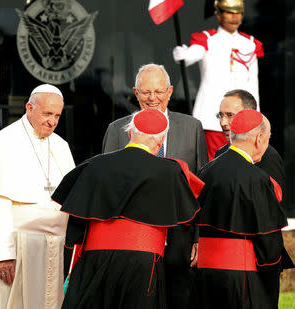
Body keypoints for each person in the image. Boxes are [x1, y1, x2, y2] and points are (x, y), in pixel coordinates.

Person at [52, 109, 203, 308]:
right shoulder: (171, 172)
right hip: (143, 265)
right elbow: (183, 227)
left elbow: (76, 229)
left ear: (130, 134)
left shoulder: (93, 166)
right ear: (161, 141)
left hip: (95, 261)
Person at [102, 63, 208, 309]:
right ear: (135, 93)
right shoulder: (117, 130)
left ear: (170, 92)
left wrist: (199, 238)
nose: (152, 98)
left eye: (159, 92)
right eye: (146, 92)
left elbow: (202, 188)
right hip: (131, 241)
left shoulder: (192, 127)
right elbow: (106, 187)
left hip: (179, 239)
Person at [0, 84, 75, 309]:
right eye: (47, 114)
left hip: (55, 248)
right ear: (29, 107)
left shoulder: (61, 146)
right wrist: (2, 255)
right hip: (17, 248)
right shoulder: (4, 143)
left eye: (57, 115)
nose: (52, 121)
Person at [196, 110, 288, 309]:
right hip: (242, 277)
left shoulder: (205, 171)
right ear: (259, 138)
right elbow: (268, 242)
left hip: (205, 274)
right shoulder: (257, 178)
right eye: (268, 138)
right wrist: (271, 277)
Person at [214, 89, 293, 307]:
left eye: (230, 115)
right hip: (225, 265)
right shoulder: (221, 154)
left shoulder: (267, 155)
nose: (223, 122)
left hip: (256, 262)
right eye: (220, 115)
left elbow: (269, 212)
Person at [173, 0, 263, 160]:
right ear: (218, 14)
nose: (235, 17)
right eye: (229, 12)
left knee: (241, 162)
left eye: (238, 12)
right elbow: (192, 55)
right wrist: (183, 54)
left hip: (242, 118)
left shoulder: (250, 43)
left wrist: (256, 117)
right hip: (212, 118)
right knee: (210, 164)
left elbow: (253, 85)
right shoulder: (207, 39)